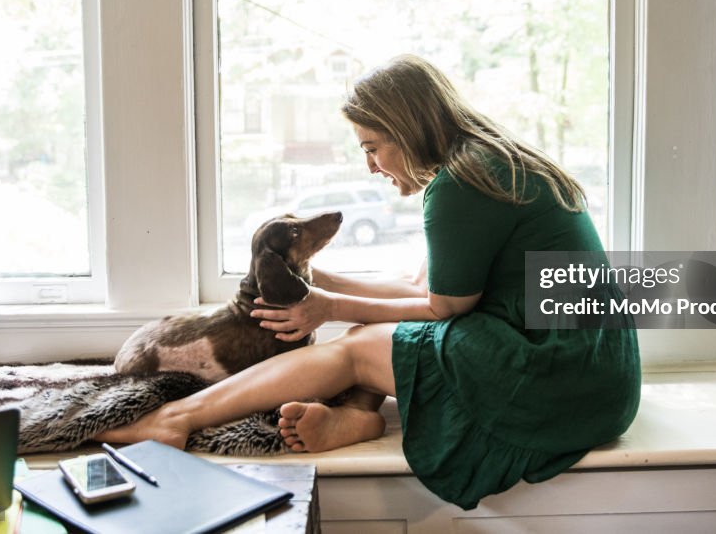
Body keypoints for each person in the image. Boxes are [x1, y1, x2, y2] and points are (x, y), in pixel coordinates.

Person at [99, 54, 641, 510]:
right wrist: (325, 285)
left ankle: (173, 419)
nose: (371, 165)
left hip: (558, 378)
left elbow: (442, 310)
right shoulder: (489, 161)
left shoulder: (459, 187)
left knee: (358, 347)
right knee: (369, 330)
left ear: (408, 130)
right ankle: (357, 418)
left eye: (372, 146)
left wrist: (330, 307)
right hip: (592, 371)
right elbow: (423, 291)